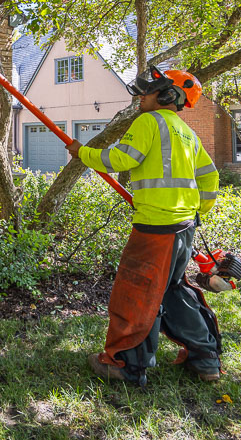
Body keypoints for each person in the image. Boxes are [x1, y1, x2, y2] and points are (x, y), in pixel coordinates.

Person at [65, 67, 223, 385]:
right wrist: (196, 210)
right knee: (173, 291)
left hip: (156, 229)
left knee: (136, 293)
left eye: (149, 91)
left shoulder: (149, 122)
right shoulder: (186, 132)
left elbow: (122, 160)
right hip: (183, 227)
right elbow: (210, 177)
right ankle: (205, 358)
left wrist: (82, 153)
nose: (141, 97)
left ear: (167, 95)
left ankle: (125, 364)